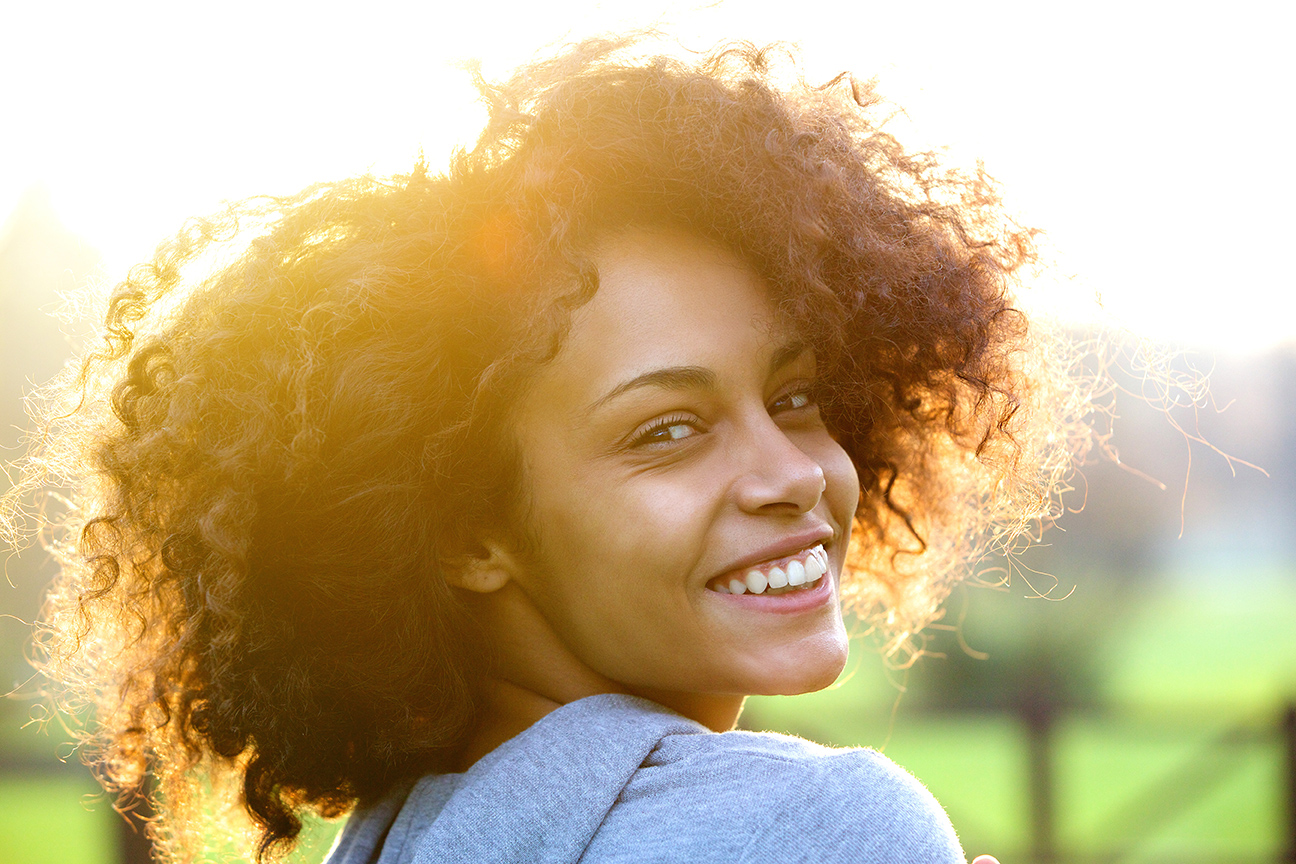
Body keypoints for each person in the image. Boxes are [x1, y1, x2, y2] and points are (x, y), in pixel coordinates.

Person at [4, 36, 1088, 864]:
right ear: (469, 528)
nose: (793, 472)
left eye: (796, 396)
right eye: (667, 430)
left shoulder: (393, 841)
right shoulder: (819, 828)